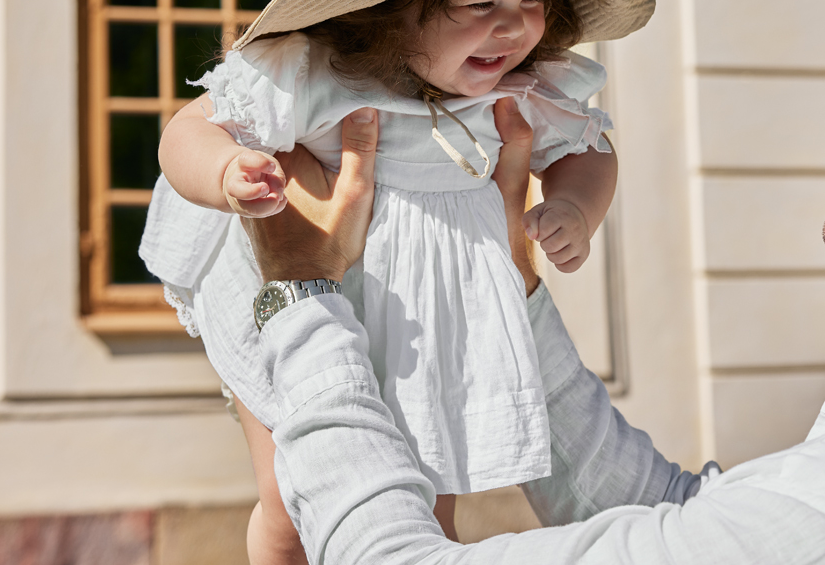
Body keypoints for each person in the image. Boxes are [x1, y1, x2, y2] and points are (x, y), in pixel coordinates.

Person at [142, 0, 656, 564]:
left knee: (423, 509)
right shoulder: (317, 75)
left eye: (534, 0)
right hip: (299, 294)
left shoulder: (524, 89)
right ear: (387, 9)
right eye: (480, 4)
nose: (513, 27)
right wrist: (224, 171)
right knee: (291, 498)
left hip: (432, 319)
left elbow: (590, 150)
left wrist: (575, 205)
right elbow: (186, 131)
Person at [248, 104, 825, 564]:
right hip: (359, 287)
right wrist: (510, 279)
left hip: (340, 298)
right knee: (284, 508)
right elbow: (679, 509)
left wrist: (299, 292)